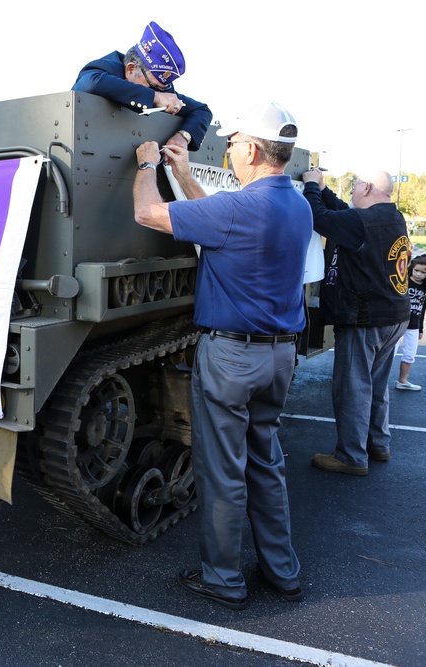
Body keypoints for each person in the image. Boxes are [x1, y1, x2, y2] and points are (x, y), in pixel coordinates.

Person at [131, 101, 311, 609]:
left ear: (251, 149)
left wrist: (148, 165)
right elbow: (216, 224)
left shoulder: (240, 208)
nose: (229, 149)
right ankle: (282, 571)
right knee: (265, 462)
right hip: (278, 358)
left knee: (222, 472)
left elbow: (147, 213)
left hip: (232, 358)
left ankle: (223, 580)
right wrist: (184, 173)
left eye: (232, 142)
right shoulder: (296, 204)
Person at [301, 168, 410, 475]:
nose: (350, 190)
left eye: (354, 185)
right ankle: (378, 444)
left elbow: (319, 218)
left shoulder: (361, 222)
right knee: (375, 385)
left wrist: (310, 185)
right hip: (393, 315)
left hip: (365, 318)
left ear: (367, 187)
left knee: (352, 387)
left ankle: (350, 455)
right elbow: (339, 212)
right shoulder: (391, 217)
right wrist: (323, 190)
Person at [72, 21, 213, 153]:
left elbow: (202, 110)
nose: (160, 92)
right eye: (153, 86)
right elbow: (90, 83)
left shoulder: (161, 90)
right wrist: (155, 97)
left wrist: (183, 136)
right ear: (131, 69)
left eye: (162, 89)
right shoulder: (106, 69)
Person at [395, 254, 426, 391]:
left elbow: (423, 309)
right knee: (390, 352)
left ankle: (402, 380)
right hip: (397, 322)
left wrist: (421, 328)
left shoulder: (425, 289)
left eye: (423, 272)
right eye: (416, 270)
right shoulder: (404, 282)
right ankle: (379, 380)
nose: (419, 274)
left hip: (413, 325)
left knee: (410, 353)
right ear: (411, 268)